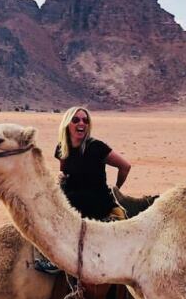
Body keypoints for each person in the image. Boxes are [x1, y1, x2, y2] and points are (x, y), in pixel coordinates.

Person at [34, 106, 131, 273]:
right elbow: (64, 171)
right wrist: (61, 178)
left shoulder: (96, 147)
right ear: (67, 124)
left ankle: (59, 261)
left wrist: (116, 189)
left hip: (95, 200)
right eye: (76, 120)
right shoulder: (61, 148)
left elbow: (125, 166)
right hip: (72, 196)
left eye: (85, 120)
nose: (81, 123)